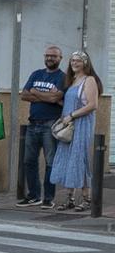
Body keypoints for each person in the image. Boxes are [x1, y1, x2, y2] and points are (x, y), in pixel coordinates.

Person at [49, 50, 102, 212]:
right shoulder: (71, 80)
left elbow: (92, 105)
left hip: (81, 124)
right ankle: (69, 198)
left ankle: (87, 199)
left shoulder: (89, 80)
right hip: (68, 125)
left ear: (85, 63)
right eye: (72, 60)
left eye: (78, 60)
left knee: (81, 158)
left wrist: (71, 115)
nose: (74, 63)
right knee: (67, 160)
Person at [17, 46, 66, 208]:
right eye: (47, 55)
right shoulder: (36, 73)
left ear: (60, 58)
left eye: (54, 56)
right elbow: (24, 94)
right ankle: (34, 195)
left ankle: (48, 198)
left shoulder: (63, 77)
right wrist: (47, 96)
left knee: (50, 162)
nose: (50, 58)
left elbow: (55, 99)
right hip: (33, 123)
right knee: (29, 161)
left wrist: (36, 92)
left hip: (51, 124)